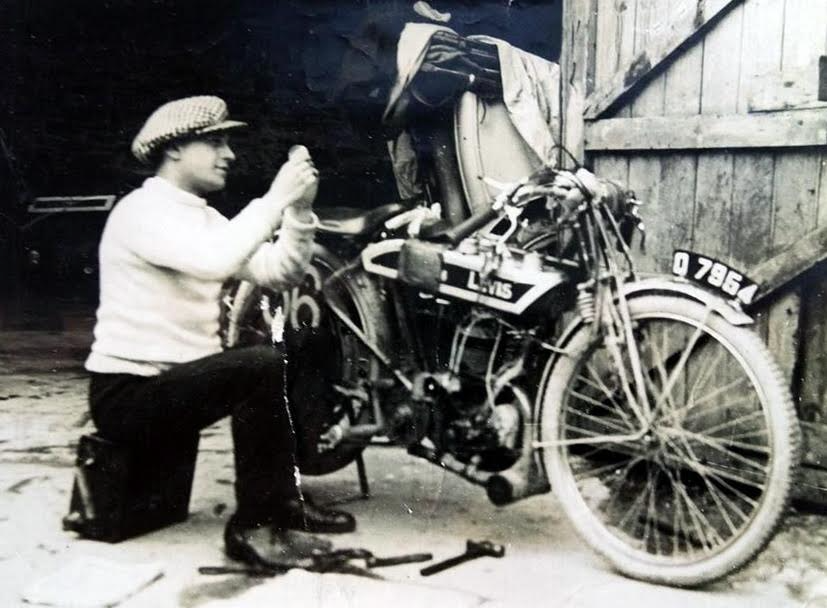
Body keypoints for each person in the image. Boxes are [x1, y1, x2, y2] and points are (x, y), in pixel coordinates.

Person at [85, 95, 354, 567]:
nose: (229, 154)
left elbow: (278, 272)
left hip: (178, 385)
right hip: (129, 395)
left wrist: (297, 213)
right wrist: (273, 200)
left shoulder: (203, 217)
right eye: (215, 142)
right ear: (173, 150)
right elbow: (216, 261)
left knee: (307, 341)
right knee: (261, 364)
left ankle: (283, 500)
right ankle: (252, 527)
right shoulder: (139, 212)